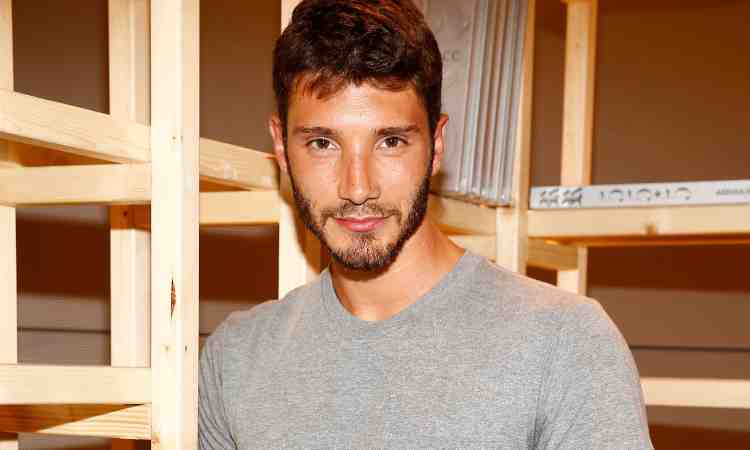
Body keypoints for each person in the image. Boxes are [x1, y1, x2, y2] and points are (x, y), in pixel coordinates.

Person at [199, 0, 654, 448]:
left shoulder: (564, 343)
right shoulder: (235, 360)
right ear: (281, 147)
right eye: (322, 143)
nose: (357, 187)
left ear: (436, 146)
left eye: (391, 141)